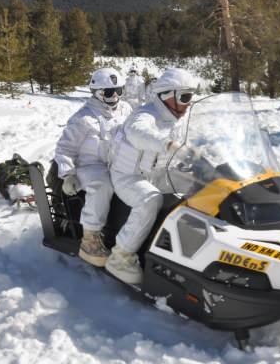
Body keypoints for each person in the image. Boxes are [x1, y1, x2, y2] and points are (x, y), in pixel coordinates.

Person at [106, 68, 197, 284]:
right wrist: (169, 145)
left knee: (204, 182)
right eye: (185, 97)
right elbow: (139, 133)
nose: (188, 103)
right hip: (128, 176)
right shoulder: (144, 114)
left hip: (158, 174)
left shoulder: (178, 118)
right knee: (150, 200)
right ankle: (120, 257)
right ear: (167, 95)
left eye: (191, 97)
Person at [54, 67, 132, 267]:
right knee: (103, 184)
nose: (114, 96)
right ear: (96, 93)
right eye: (108, 92)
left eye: (118, 91)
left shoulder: (126, 110)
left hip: (116, 163)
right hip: (88, 167)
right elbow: (64, 148)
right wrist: (68, 174)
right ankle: (90, 239)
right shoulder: (83, 118)